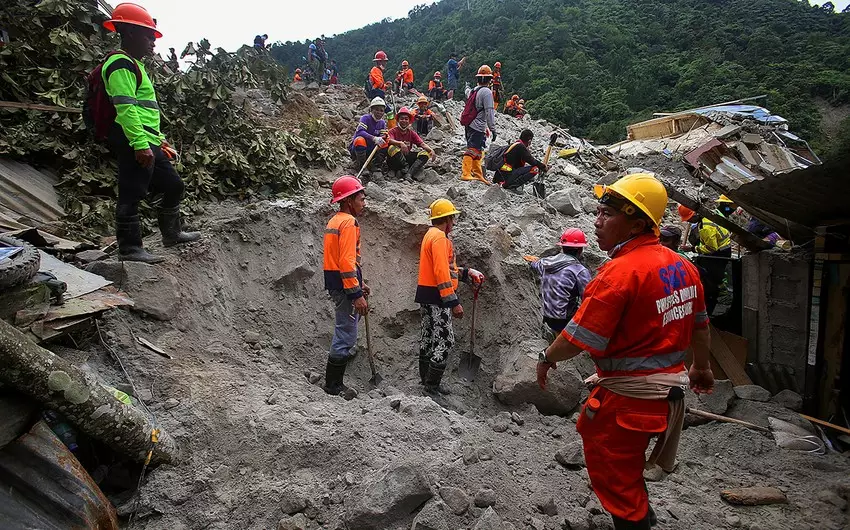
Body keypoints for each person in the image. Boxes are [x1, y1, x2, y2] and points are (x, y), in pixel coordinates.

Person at [537, 173, 715, 530]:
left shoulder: (618, 274)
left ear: (636, 222)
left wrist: (546, 358)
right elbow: (699, 324)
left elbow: (576, 337)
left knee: (619, 486)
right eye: (598, 212)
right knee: (629, 477)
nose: (597, 222)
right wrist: (701, 366)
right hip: (666, 394)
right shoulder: (684, 267)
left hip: (628, 402)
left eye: (606, 214)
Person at [100, 3, 200, 263]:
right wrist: (140, 144)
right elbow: (126, 108)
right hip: (133, 138)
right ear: (130, 33)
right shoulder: (120, 64)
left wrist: (159, 140)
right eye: (148, 36)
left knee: (173, 185)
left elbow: (144, 110)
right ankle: (130, 248)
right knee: (132, 191)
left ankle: (172, 233)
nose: (153, 43)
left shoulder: (134, 65)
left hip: (147, 138)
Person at [416, 198, 485, 394]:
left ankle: (425, 381)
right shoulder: (439, 238)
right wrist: (453, 301)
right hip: (438, 297)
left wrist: (467, 272)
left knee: (428, 336)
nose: (454, 223)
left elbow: (445, 269)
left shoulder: (431, 235)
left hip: (426, 294)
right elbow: (441, 272)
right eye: (452, 219)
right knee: (445, 339)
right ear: (446, 219)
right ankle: (431, 386)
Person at [323, 176, 369, 400]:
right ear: (349, 200)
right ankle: (333, 385)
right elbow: (347, 262)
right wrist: (356, 293)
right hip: (344, 286)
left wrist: (360, 284)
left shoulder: (335, 220)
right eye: (361, 198)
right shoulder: (349, 223)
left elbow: (341, 260)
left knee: (345, 330)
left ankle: (334, 380)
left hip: (336, 282)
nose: (364, 203)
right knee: (346, 335)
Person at [524, 228, 592, 341]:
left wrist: (531, 260)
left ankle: (556, 339)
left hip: (546, 316)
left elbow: (535, 263)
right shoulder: (579, 270)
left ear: (562, 247)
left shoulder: (545, 262)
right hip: (565, 320)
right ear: (580, 250)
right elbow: (589, 297)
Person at [678, 204, 731, 316]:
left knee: (711, 279)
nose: (690, 221)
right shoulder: (710, 214)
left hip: (718, 254)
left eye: (690, 219)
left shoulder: (706, 228)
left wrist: (692, 248)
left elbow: (711, 248)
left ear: (695, 215)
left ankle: (711, 305)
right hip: (725, 247)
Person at [460, 65, 497, 185]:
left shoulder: (474, 90)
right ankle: (466, 173)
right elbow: (489, 111)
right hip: (478, 125)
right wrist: (493, 129)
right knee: (472, 149)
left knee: (477, 150)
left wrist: (466, 87)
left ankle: (477, 173)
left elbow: (467, 92)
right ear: (489, 79)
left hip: (469, 124)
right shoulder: (486, 92)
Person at [386, 107, 435, 180]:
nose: (404, 121)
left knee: (425, 153)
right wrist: (400, 143)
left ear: (409, 121)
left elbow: (422, 144)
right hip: (394, 160)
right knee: (392, 148)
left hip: (406, 156)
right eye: (402, 118)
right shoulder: (393, 131)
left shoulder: (412, 133)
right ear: (398, 120)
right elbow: (389, 140)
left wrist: (431, 150)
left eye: (406, 119)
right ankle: (404, 168)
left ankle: (409, 174)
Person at [348, 97, 389, 179]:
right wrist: (373, 138)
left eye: (381, 110)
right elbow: (360, 132)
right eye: (376, 109)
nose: (379, 112)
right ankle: (362, 166)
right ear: (371, 110)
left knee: (386, 143)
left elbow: (382, 136)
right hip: (358, 148)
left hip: (371, 150)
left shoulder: (382, 122)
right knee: (360, 140)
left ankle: (376, 165)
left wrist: (383, 137)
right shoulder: (365, 118)